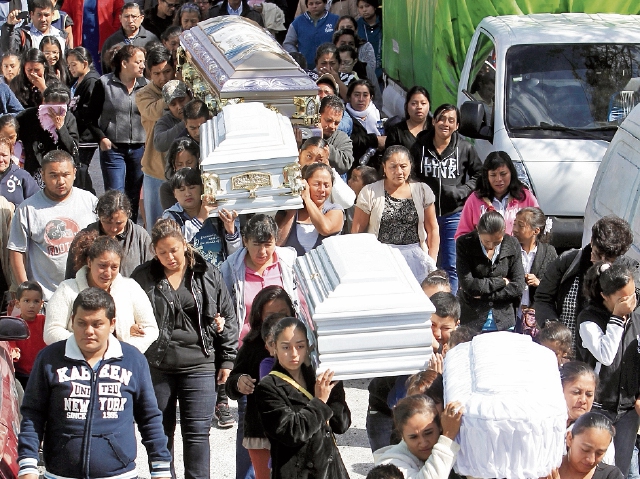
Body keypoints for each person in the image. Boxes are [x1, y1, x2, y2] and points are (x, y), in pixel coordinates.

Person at [17, 287, 173, 479]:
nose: (88, 331)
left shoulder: (133, 360)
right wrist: (27, 465)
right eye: (81, 323)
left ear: (112, 324)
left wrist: (160, 468)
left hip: (120, 475)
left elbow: (149, 417)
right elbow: (33, 414)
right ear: (72, 321)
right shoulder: (49, 358)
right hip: (60, 474)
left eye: (97, 324)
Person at [131, 218, 238, 479]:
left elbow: (228, 314)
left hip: (200, 362)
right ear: (154, 252)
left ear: (184, 244)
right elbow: (125, 313)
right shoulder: (142, 276)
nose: (170, 257)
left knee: (197, 434)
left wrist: (227, 359)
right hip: (157, 364)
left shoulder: (207, 272)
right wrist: (130, 326)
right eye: (162, 252)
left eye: (174, 249)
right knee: (159, 432)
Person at [255, 316, 351, 479]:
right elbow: (293, 433)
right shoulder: (268, 387)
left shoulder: (316, 379)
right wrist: (320, 401)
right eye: (286, 347)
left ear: (308, 346)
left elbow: (341, 425)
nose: (294, 353)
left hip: (331, 471)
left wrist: (334, 387)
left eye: (300, 346)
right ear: (275, 348)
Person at [44, 233, 159, 353]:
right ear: (89, 262)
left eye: (114, 267)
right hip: (77, 365)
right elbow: (51, 331)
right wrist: (90, 348)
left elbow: (150, 329)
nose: (108, 273)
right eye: (102, 266)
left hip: (120, 363)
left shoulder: (131, 287)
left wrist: (123, 350)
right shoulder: (67, 289)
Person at [534, 216, 638, 347]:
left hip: (604, 354)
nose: (602, 261)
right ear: (592, 241)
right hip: (564, 349)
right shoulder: (569, 261)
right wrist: (552, 326)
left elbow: (633, 303)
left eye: (609, 258)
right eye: (598, 254)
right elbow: (543, 297)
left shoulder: (630, 271)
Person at [577, 262, 640, 476]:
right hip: (599, 406)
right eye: (623, 298)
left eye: (633, 294)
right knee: (594, 466)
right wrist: (617, 318)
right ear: (605, 296)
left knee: (619, 470)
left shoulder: (637, 317)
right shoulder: (589, 320)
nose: (631, 302)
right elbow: (605, 355)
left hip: (628, 409)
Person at [8, 150, 97, 301]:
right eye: (54, 175)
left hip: (85, 295)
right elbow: (17, 251)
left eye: (65, 174)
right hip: (46, 298)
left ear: (74, 173)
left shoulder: (90, 202)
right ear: (43, 175)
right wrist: (26, 292)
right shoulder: (27, 209)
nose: (60, 181)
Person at [410, 103, 481, 292]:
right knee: (425, 262)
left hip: (453, 215)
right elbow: (410, 174)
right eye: (441, 118)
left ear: (457, 125)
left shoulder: (465, 148)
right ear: (433, 121)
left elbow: (479, 175)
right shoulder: (419, 146)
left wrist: (463, 191)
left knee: (451, 265)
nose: (445, 124)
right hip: (424, 215)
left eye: (451, 120)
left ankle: (449, 308)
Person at [227, 286, 296, 479]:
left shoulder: (303, 344)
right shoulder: (252, 347)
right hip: (260, 432)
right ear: (260, 318)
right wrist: (239, 382)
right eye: (271, 316)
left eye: (284, 314)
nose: (279, 321)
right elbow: (232, 384)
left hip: (295, 429)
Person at [352, 145, 439, 282]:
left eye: (403, 166)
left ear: (410, 166)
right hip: (380, 258)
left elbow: (432, 228)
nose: (398, 171)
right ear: (384, 167)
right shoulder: (369, 192)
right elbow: (357, 231)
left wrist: (431, 261)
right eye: (393, 166)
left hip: (415, 258)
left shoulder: (422, 190)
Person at [89, 44, 147, 223]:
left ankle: (130, 229)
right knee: (115, 192)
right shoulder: (104, 84)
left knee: (134, 193)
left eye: (143, 62)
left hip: (139, 147)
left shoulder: (146, 86)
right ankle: (112, 228)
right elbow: (90, 117)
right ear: (124, 63)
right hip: (113, 148)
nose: (142, 66)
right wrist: (102, 137)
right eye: (138, 62)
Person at [220, 214, 298, 345]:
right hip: (245, 345)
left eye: (268, 245)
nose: (262, 251)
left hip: (285, 344)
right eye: (256, 244)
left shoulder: (289, 263)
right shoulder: (230, 268)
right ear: (245, 241)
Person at [456, 210, 526, 331]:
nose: (491, 246)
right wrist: (501, 282)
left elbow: (518, 286)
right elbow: (468, 285)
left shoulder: (512, 244)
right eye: (487, 241)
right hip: (472, 320)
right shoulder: (465, 243)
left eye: (497, 242)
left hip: (504, 321)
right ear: (478, 230)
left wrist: (483, 295)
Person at [162, 167, 241, 267]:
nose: (187, 193)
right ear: (174, 194)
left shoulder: (217, 212)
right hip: (191, 277)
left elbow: (237, 254)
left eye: (192, 187)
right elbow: (173, 244)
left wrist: (231, 232)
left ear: (202, 188)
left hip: (220, 276)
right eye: (181, 189)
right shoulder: (170, 216)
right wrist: (200, 219)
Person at [65, 190, 152, 278]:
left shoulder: (140, 236)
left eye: (119, 223)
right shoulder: (84, 237)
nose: (113, 229)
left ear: (128, 215)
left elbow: (151, 274)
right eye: (107, 222)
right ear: (99, 216)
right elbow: (71, 277)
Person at [374, 395, 463, 479]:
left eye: (428, 433)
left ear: (440, 426)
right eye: (413, 437)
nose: (423, 443)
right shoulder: (390, 465)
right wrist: (447, 437)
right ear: (402, 436)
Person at [136, 46, 176, 230]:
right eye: (157, 73)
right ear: (149, 74)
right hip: (156, 170)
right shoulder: (143, 94)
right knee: (156, 226)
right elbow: (155, 111)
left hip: (181, 167)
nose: (163, 78)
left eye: (167, 72)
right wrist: (176, 91)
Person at [455, 151, 539, 239]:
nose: (498, 179)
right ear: (486, 176)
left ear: (511, 173)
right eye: (493, 175)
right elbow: (461, 236)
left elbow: (538, 228)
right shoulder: (475, 199)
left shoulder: (525, 197)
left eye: (503, 174)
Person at [276, 162, 344, 256]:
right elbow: (278, 243)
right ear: (306, 184)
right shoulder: (286, 211)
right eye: (316, 184)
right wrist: (293, 209)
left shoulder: (335, 210)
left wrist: (307, 199)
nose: (322, 189)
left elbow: (325, 229)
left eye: (326, 185)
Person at [17, 81, 79, 181]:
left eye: (60, 105)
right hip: (33, 169)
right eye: (52, 105)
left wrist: (61, 128)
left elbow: (73, 148)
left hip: (58, 170)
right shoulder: (27, 116)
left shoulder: (68, 118)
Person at [512, 207, 557, 323]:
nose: (515, 230)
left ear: (536, 231)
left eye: (520, 226)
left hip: (535, 314)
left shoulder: (549, 252)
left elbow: (556, 284)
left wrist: (539, 283)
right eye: (514, 224)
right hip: (512, 312)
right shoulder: (509, 248)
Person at [545, 412, 623, 479]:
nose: (591, 460)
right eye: (585, 450)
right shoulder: (546, 470)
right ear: (569, 439)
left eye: (599, 453)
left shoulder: (611, 475)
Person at [67, 46, 100, 193]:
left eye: (74, 65)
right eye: (69, 65)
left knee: (80, 169)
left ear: (85, 63)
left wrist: (70, 116)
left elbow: (89, 111)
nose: (70, 69)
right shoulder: (78, 81)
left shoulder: (91, 81)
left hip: (86, 135)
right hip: (78, 132)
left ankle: (88, 197)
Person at [64, 0, 124, 74]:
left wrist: (113, 30)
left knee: (103, 71)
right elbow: (66, 15)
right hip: (81, 40)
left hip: (104, 40)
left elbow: (120, 11)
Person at [298, 136, 355, 209]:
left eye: (319, 160)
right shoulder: (289, 174)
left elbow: (347, 202)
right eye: (309, 156)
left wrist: (328, 169)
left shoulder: (326, 180)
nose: (313, 163)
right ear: (300, 154)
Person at [100, 3, 158, 74]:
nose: (130, 20)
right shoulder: (111, 42)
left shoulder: (151, 39)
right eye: (126, 16)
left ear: (141, 18)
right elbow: (106, 69)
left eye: (134, 17)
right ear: (120, 18)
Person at [10, 281, 46, 389]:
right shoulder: (14, 323)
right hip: (21, 375)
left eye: (36, 301)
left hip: (42, 372)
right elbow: (10, 342)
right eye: (26, 301)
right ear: (17, 303)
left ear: (41, 304)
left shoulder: (45, 321)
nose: (31, 305)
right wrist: (13, 350)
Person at [284, 0, 339, 68]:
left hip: (329, 67)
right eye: (311, 4)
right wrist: (297, 57)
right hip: (305, 68)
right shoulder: (297, 22)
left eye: (318, 3)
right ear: (307, 5)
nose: (314, 6)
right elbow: (288, 43)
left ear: (325, 3)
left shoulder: (335, 20)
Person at [1, 0, 68, 54]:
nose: (43, 19)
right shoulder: (23, 34)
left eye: (46, 15)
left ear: (52, 15)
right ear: (31, 14)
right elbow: (8, 51)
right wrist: (9, 26)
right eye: (39, 15)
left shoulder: (60, 35)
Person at [345, 78, 383, 166]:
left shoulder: (378, 115)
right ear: (350, 96)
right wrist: (374, 140)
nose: (361, 99)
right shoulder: (343, 117)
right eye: (357, 95)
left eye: (365, 95)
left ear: (371, 97)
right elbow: (348, 140)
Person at [385, 86, 431, 152]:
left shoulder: (436, 128)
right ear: (407, 106)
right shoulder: (396, 132)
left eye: (423, 103)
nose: (419, 107)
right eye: (414, 103)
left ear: (429, 105)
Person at [318, 94, 354, 175]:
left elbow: (345, 164)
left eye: (337, 123)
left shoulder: (343, 139)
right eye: (328, 120)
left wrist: (321, 142)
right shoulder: (306, 134)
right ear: (318, 116)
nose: (332, 126)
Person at [153, 79, 191, 154]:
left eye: (182, 100)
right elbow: (159, 144)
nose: (179, 107)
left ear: (190, 96)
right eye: (173, 104)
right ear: (168, 107)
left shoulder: (201, 110)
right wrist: (186, 123)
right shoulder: (165, 121)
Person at [160, 137, 199, 209]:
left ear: (197, 159)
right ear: (173, 165)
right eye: (179, 165)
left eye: (189, 163)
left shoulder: (205, 181)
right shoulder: (167, 188)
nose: (185, 168)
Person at [0, 137, 38, 206]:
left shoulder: (22, 176)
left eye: (4, 155)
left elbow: (37, 202)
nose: (0, 159)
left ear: (11, 154)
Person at [356, 0, 381, 85]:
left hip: (383, 72)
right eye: (361, 7)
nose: (364, 10)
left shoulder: (384, 23)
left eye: (367, 6)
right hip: (363, 73)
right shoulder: (357, 25)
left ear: (374, 7)